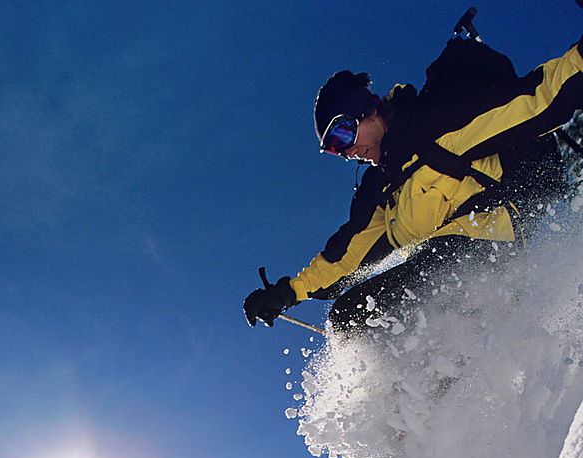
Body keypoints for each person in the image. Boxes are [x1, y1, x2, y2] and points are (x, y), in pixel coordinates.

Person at [243, 23, 583, 334]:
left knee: (378, 306)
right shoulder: (381, 189)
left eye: (344, 133)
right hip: (445, 264)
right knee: (349, 316)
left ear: (371, 110)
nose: (345, 151)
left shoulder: (433, 127)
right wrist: (286, 292)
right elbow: (343, 258)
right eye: (333, 148)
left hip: (491, 242)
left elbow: (537, 100)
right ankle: (427, 393)